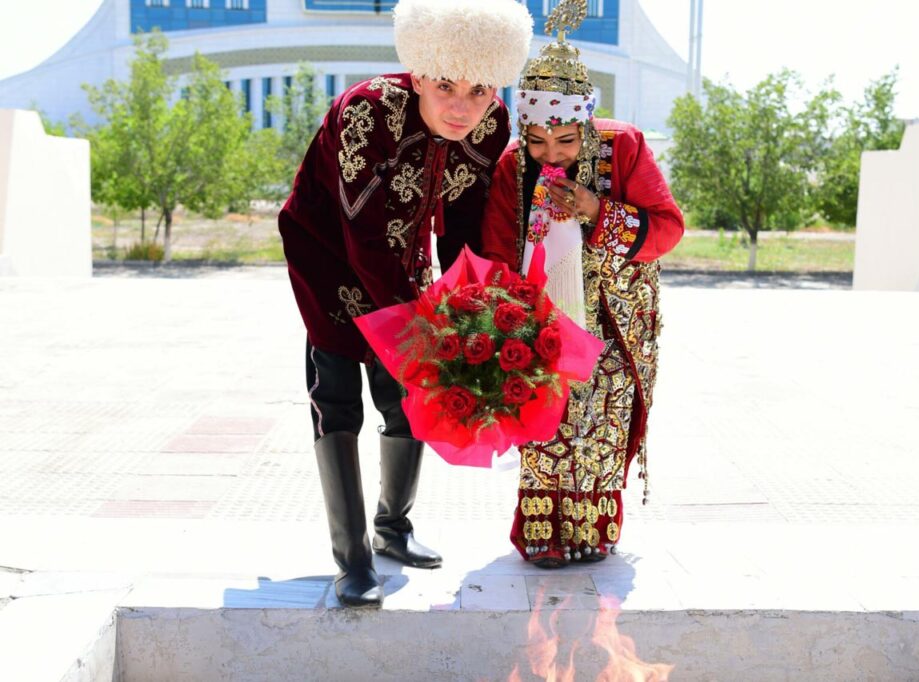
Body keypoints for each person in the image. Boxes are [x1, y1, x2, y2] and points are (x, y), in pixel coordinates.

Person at [278, 0, 533, 606]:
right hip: (328, 252)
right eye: (445, 85)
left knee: (408, 395)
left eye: (478, 90)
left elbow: (465, 229)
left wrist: (472, 316)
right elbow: (364, 234)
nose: (461, 106)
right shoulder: (366, 112)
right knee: (339, 396)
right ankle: (353, 559)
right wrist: (425, 331)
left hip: (403, 249)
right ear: (418, 73)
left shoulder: (491, 124)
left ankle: (393, 528)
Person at [480, 0, 684, 568]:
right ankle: (542, 529)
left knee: (601, 422)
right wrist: (501, 316)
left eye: (566, 141)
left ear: (587, 125)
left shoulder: (624, 147)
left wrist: (597, 208)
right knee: (543, 419)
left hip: (614, 320)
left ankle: (592, 528)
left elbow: (667, 228)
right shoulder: (513, 163)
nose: (551, 155)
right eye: (539, 140)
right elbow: (498, 249)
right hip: (540, 319)